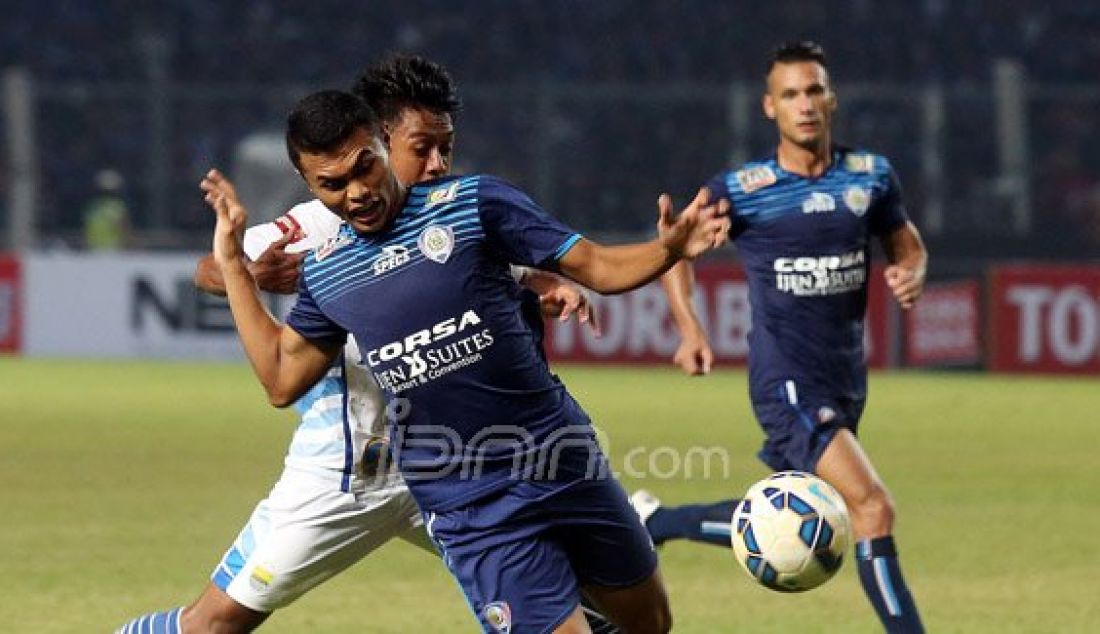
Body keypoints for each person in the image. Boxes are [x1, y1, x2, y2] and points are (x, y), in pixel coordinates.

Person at [203, 89, 727, 633]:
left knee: (650, 622)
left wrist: (666, 250)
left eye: (365, 167)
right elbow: (282, 380)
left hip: (562, 456)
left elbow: (595, 265)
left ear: (383, 144)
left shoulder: (474, 204)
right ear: (310, 186)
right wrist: (233, 265)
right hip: (469, 502)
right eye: (333, 185)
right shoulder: (327, 271)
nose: (357, 193)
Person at [116, 55, 604, 634]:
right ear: (376, 138)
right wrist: (249, 276)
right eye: (420, 148)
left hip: (459, 469)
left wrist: (537, 279)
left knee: (593, 611)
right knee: (211, 627)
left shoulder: (459, 210)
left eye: (444, 148)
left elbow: (471, 272)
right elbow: (209, 267)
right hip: (346, 477)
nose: (436, 164)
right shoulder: (324, 223)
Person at [645, 41, 927, 633]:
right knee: (870, 508)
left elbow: (904, 240)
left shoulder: (870, 175)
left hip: (846, 378)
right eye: (791, 94)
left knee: (788, 514)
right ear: (769, 107)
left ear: (832, 99)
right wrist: (691, 329)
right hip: (785, 382)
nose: (805, 104)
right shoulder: (745, 188)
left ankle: (655, 524)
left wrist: (911, 268)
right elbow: (674, 251)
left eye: (814, 90)